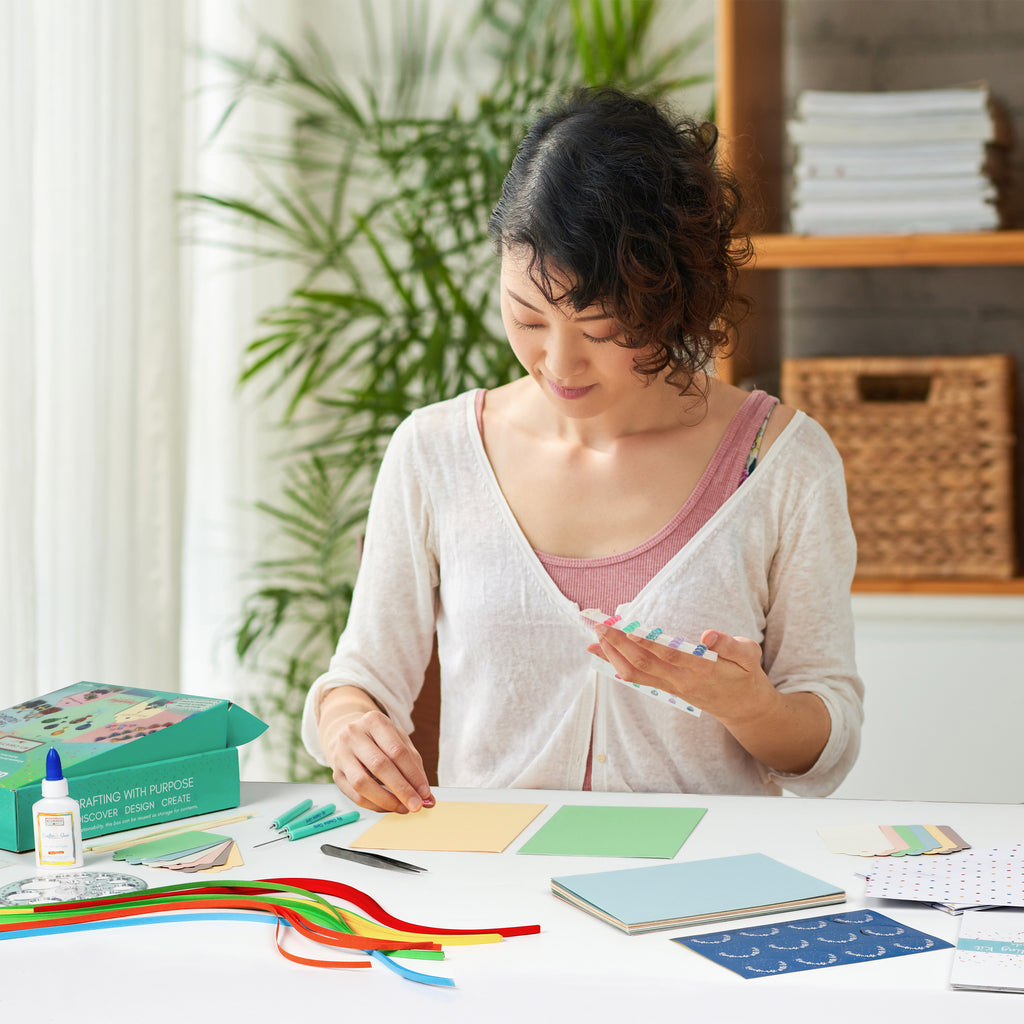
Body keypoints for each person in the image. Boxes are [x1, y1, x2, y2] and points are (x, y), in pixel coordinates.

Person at [301, 87, 863, 813]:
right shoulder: (435, 452)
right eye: (526, 317)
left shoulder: (783, 464)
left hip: (699, 890)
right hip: (489, 886)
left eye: (601, 332)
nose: (559, 365)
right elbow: (360, 680)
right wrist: (349, 728)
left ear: (675, 300)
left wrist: (752, 707)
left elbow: (828, 750)